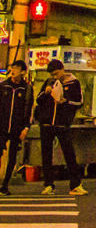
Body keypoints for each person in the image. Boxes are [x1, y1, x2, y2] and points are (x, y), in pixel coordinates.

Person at [34, 59, 86, 195]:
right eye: (52, 75)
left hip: (62, 124)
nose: (55, 77)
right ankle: (48, 184)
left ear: (62, 69)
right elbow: (38, 100)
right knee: (46, 154)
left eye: (56, 73)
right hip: (46, 124)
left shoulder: (74, 82)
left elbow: (79, 102)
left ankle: (75, 184)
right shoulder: (49, 82)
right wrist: (45, 92)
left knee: (69, 153)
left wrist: (66, 102)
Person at [0, 61, 34, 195]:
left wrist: (26, 127)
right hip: (1, 126)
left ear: (23, 72)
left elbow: (29, 109)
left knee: (12, 157)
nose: (13, 70)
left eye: (17, 68)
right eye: (12, 68)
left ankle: (5, 185)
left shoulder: (26, 89)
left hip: (17, 127)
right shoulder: (3, 86)